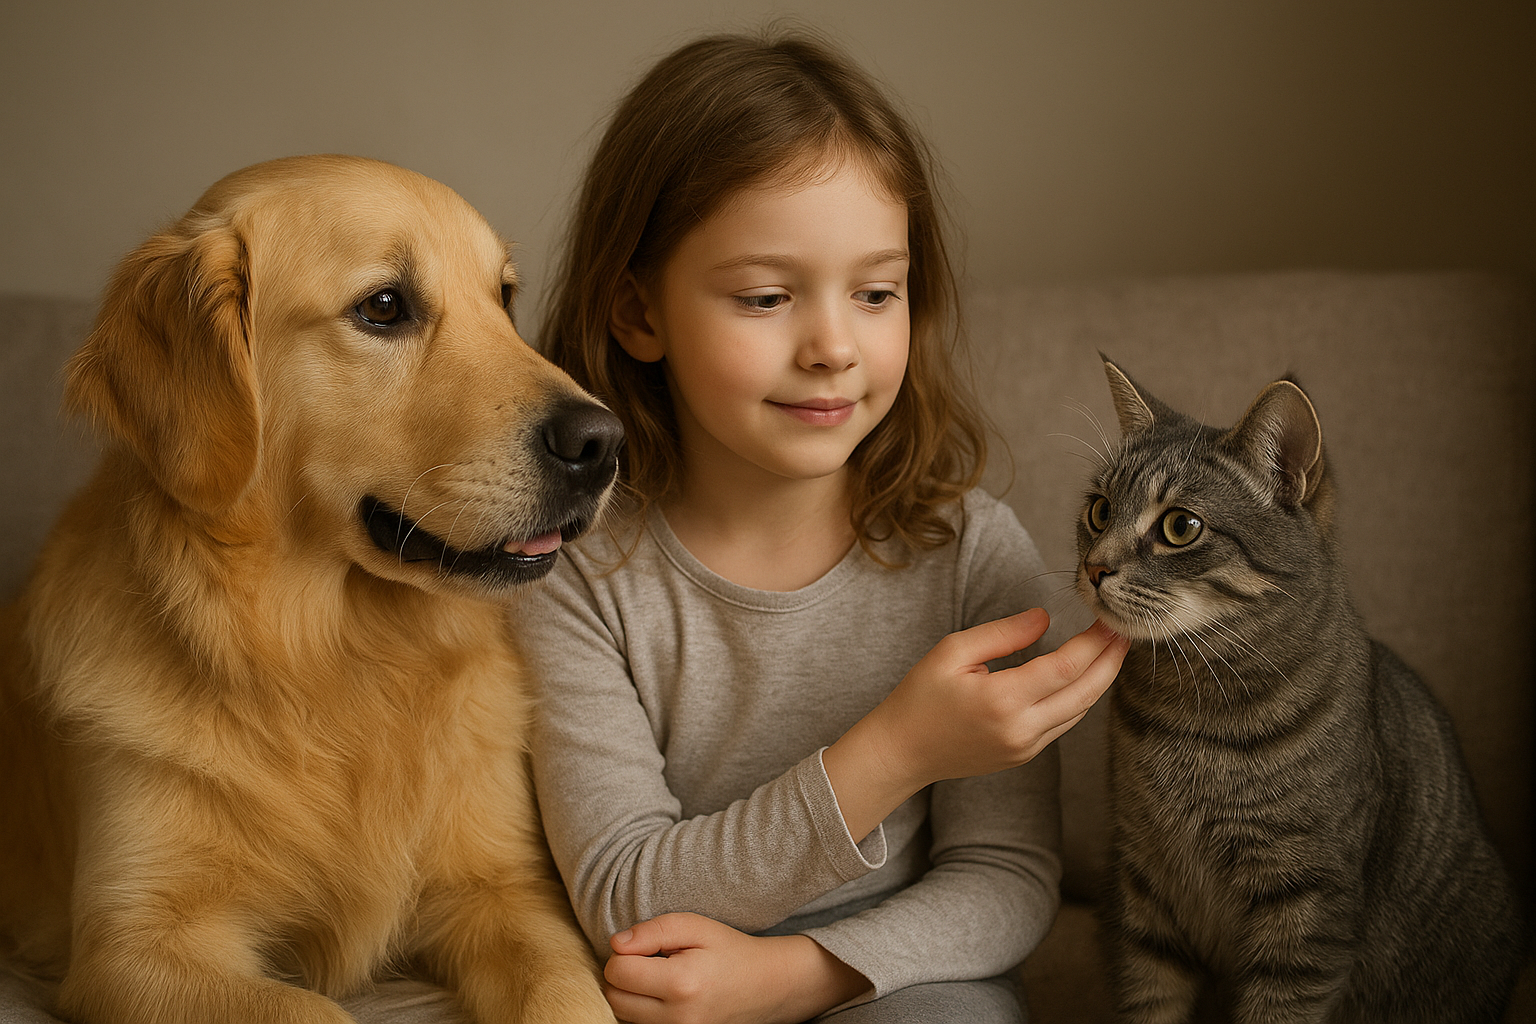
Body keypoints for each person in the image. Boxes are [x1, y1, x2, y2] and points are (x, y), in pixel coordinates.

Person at [518, 29, 1129, 1024]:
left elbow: (1010, 879)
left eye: (877, 292)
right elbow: (626, 893)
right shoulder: (576, 571)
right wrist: (895, 751)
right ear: (639, 312)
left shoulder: (970, 553)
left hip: (905, 983)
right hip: (666, 994)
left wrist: (798, 974)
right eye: (766, 296)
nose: (835, 347)